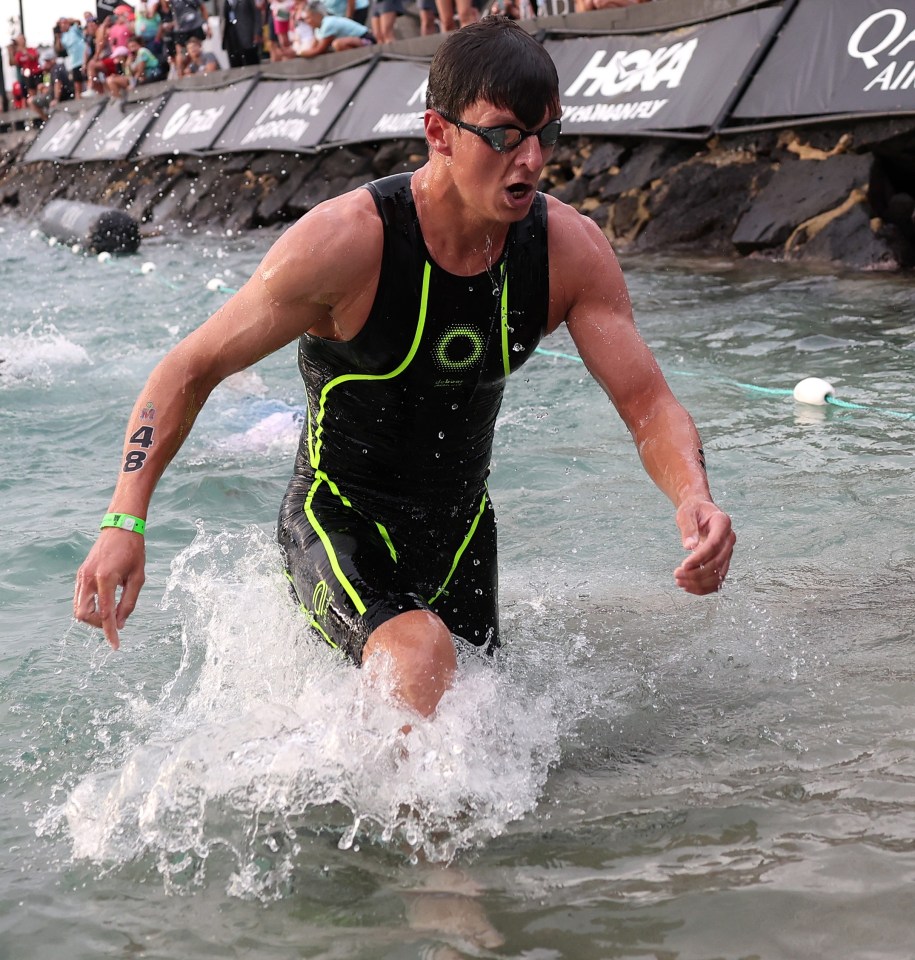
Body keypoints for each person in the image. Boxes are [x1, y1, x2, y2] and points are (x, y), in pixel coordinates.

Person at [73, 17, 735, 722]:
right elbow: (188, 368)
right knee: (420, 658)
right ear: (438, 131)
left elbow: (647, 405)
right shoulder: (347, 242)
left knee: (480, 749)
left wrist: (691, 495)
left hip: (460, 536)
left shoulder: (567, 250)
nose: (532, 159)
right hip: (337, 520)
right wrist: (125, 518)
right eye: (504, 135)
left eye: (547, 135)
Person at [298, 1, 375, 56]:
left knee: (337, 44)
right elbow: (313, 47)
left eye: (308, 18)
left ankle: (361, 57)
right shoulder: (317, 29)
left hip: (366, 38)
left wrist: (300, 53)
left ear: (316, 15)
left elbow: (319, 50)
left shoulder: (328, 24)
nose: (306, 22)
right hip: (355, 39)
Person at [221, 0, 264, 67]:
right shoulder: (225, 2)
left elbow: (257, 14)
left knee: (251, 61)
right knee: (235, 62)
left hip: (247, 35)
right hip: (231, 35)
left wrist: (257, 32)